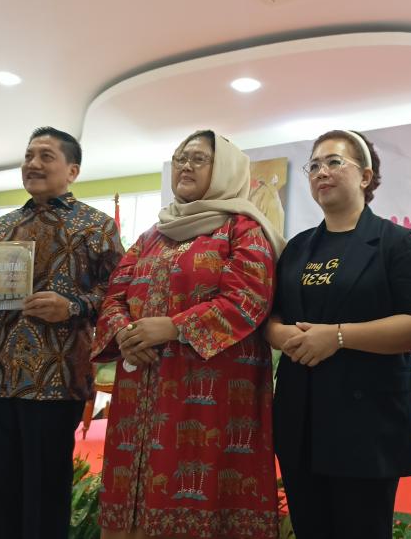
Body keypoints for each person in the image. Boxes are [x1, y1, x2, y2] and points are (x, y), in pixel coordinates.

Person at [91, 130, 285, 539]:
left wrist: (173, 327)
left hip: (209, 393)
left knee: (200, 486)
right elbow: (116, 294)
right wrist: (125, 332)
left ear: (226, 171)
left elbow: (247, 299)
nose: (185, 165)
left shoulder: (243, 230)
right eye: (180, 157)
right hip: (140, 387)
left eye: (199, 158)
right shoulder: (150, 236)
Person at [267, 130, 411, 539]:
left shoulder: (395, 243)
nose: (321, 172)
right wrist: (287, 337)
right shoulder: (297, 248)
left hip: (366, 421)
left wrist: (338, 337)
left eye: (333, 162)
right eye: (314, 165)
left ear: (365, 176)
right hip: (301, 416)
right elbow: (272, 319)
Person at [0, 127, 124, 539]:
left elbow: (121, 295)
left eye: (46, 156)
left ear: (72, 170)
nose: (33, 163)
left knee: (45, 493)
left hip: (57, 381)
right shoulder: (3, 226)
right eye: (29, 155)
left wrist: (72, 306)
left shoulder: (96, 226)